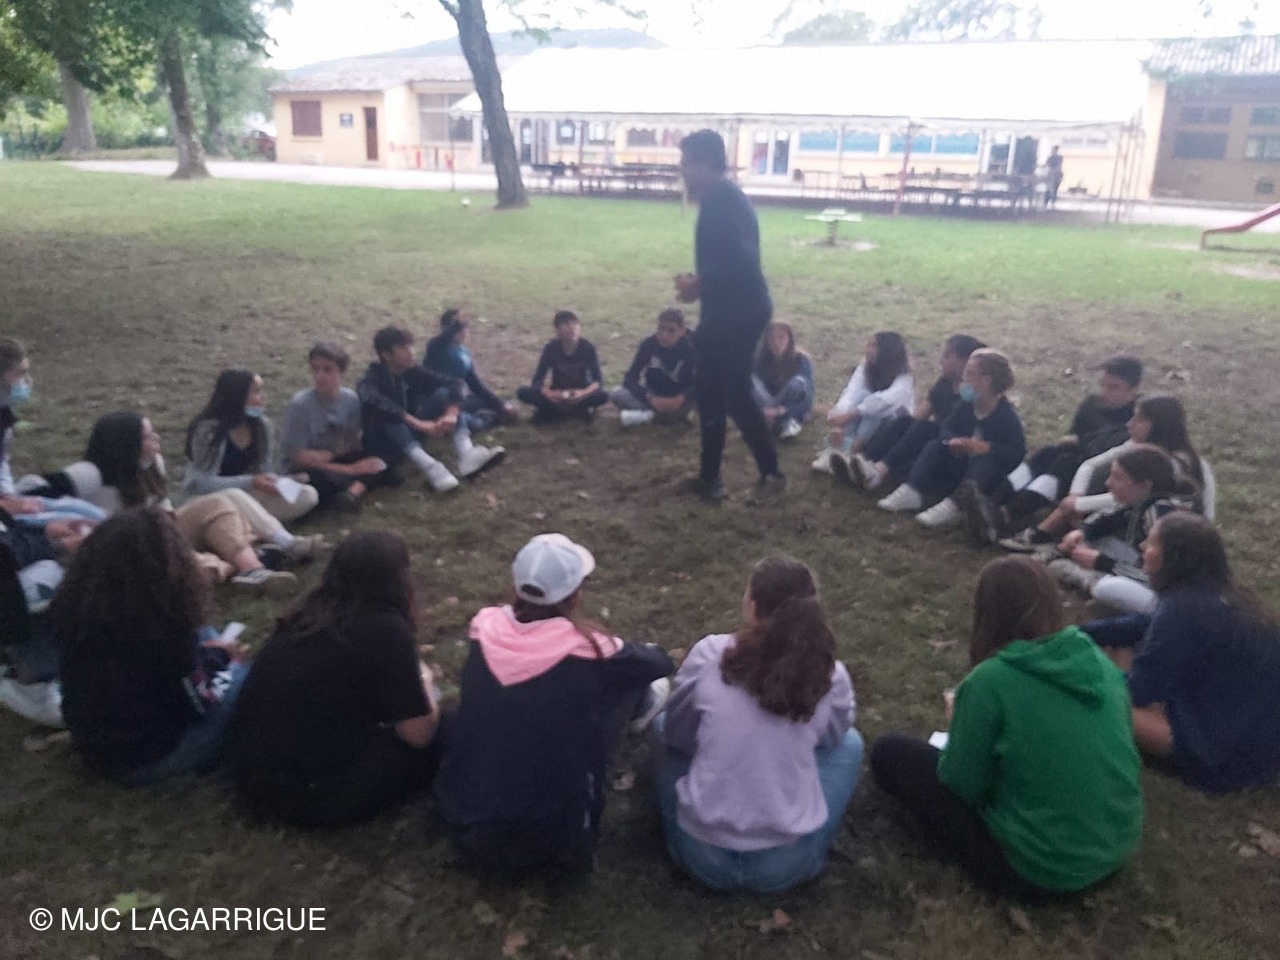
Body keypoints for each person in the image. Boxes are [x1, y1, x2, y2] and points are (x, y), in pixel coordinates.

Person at [870, 556, 1143, 902]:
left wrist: (961, 723)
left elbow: (962, 785)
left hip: (1039, 870)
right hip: (1115, 849)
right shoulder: (1096, 658)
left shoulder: (990, 681)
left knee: (890, 752)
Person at [434, 533, 673, 878]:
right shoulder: (590, 648)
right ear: (574, 595)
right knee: (632, 685)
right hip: (549, 841)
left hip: (464, 813)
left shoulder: (484, 626)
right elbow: (659, 663)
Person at [654, 556, 863, 893]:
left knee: (662, 724)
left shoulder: (711, 654)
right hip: (784, 865)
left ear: (752, 606)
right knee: (850, 745)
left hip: (701, 856)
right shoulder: (830, 674)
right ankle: (803, 833)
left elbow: (677, 734)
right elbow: (832, 738)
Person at [226, 531, 443, 826]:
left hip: (249, 776)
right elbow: (419, 735)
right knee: (445, 727)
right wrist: (424, 679)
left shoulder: (307, 614)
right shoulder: (387, 629)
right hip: (308, 795)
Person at [1082, 513, 1280, 793]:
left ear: (1174, 557)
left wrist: (1097, 669)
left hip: (1219, 755)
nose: (1142, 547)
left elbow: (1138, 691)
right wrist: (1078, 634)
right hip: (1254, 744)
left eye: (1151, 542)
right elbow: (1140, 625)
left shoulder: (1183, 609)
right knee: (1116, 645)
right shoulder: (1222, 596)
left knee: (1090, 698)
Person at [56, 507, 250, 786]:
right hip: (151, 757)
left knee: (204, 634)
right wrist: (220, 657)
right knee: (252, 680)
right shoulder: (162, 627)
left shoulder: (77, 608)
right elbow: (197, 705)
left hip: (97, 743)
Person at [36, 412, 306, 594]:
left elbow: (164, 509)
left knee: (218, 503)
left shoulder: (153, 463)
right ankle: (240, 561)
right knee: (187, 571)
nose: (157, 439)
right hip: (128, 554)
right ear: (126, 445)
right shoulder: (91, 477)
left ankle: (253, 568)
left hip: (162, 530)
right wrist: (41, 511)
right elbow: (32, 488)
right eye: (147, 437)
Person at [675, 129, 785, 506]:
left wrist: (699, 285)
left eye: (687, 162)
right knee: (709, 389)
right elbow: (726, 261)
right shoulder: (717, 199)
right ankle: (710, 478)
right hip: (724, 311)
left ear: (706, 163)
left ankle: (772, 474)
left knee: (734, 393)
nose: (682, 170)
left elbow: (742, 261)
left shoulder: (724, 201)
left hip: (741, 313)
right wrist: (702, 283)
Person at [958, 355, 1142, 544]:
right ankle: (992, 504)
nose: (1104, 392)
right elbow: (1074, 434)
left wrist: (1079, 442)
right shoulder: (1092, 404)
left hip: (1097, 474)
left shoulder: (1135, 418)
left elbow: (1105, 448)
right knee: (1045, 454)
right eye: (1103, 385)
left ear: (1133, 390)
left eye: (1114, 387)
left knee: (1063, 464)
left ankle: (1006, 514)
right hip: (1075, 454)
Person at [999, 395, 1214, 551]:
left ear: (1158, 426)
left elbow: (1132, 499)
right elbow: (1091, 465)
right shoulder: (1136, 445)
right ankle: (1023, 517)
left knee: (1098, 504)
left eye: (1138, 420)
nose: (1129, 424)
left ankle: (1042, 532)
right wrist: (1076, 496)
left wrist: (1078, 505)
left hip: (1163, 529)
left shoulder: (1175, 464)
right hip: (1134, 511)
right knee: (1067, 463)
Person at [877, 349, 1026, 528]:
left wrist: (987, 448)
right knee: (935, 445)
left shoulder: (1007, 416)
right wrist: (955, 441)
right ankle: (912, 490)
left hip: (982, 478)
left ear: (986, 380)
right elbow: (947, 428)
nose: (964, 378)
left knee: (987, 464)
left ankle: (954, 506)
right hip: (958, 461)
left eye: (969, 373)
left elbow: (1017, 452)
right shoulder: (965, 405)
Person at [357, 326, 505, 494]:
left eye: (410, 346)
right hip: (385, 444)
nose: (411, 352)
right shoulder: (372, 378)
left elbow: (455, 383)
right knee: (389, 414)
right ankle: (431, 467)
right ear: (386, 355)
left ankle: (466, 452)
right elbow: (371, 399)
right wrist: (416, 422)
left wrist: (451, 413)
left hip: (412, 432)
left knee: (443, 395)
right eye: (402, 348)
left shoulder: (411, 371)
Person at [1042, 444, 1180, 614]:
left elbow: (1162, 579)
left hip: (1169, 600)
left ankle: (1089, 581)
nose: (1108, 483)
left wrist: (1102, 563)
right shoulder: (1141, 501)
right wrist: (1081, 532)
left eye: (1118, 477)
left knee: (1106, 588)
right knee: (1098, 542)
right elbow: (1105, 519)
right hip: (1146, 571)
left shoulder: (1161, 518)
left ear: (1145, 486)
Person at [839, 334, 986, 492]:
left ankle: (878, 471)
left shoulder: (973, 395)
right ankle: (863, 461)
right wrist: (904, 430)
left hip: (948, 447)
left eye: (947, 355)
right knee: (904, 422)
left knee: (924, 428)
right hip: (930, 440)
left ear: (965, 361)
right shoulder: (945, 383)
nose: (941, 360)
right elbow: (921, 414)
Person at [184, 368, 321, 523]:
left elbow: (264, 471)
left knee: (307, 494)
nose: (263, 397)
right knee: (235, 497)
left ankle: (244, 521)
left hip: (249, 494)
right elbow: (200, 483)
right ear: (237, 396)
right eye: (256, 392)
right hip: (213, 497)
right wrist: (251, 481)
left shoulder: (262, 426)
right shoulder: (209, 430)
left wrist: (282, 481)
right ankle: (255, 523)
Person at [281, 341, 390, 514]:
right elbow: (298, 458)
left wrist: (344, 459)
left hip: (335, 458)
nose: (320, 376)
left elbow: (350, 443)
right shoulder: (300, 405)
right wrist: (350, 469)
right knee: (314, 480)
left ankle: (350, 494)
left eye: (327, 370)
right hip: (307, 469)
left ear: (341, 372)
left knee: (381, 462)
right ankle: (353, 488)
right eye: (315, 369)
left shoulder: (350, 399)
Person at [813, 331, 914, 475]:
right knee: (862, 395)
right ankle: (840, 448)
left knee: (873, 406)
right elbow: (851, 393)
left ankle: (850, 450)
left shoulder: (905, 377)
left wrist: (850, 415)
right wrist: (838, 419)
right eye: (868, 345)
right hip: (864, 423)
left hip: (891, 427)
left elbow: (886, 402)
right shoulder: (865, 368)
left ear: (888, 350)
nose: (868, 350)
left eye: (874, 346)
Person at [423, 308, 519, 432]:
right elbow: (444, 338)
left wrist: (501, 404)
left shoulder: (464, 353)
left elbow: (475, 384)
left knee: (501, 402)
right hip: (439, 400)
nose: (465, 333)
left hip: (460, 399)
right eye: (461, 330)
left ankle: (499, 413)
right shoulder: (436, 347)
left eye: (466, 329)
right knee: (469, 420)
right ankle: (488, 420)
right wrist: (455, 325)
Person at [516, 310, 608, 423]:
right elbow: (537, 380)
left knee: (603, 396)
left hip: (580, 392)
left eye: (575, 324)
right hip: (558, 393)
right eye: (566, 325)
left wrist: (583, 393)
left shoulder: (588, 348)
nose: (572, 328)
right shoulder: (550, 348)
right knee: (522, 392)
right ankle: (574, 412)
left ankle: (555, 412)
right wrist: (550, 394)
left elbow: (598, 381)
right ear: (557, 330)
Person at [612, 307, 697, 428]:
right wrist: (649, 397)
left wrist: (681, 398)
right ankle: (670, 417)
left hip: (681, 396)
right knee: (617, 393)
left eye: (671, 330)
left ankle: (649, 416)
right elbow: (630, 378)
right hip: (654, 394)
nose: (664, 335)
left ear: (682, 331)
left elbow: (703, 381)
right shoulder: (649, 344)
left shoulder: (693, 346)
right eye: (661, 329)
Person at [751, 321, 815, 440]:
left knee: (798, 383)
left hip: (786, 406)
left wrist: (781, 411)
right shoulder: (758, 360)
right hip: (765, 403)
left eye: (781, 338)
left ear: (789, 340)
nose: (776, 343)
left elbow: (807, 400)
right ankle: (768, 422)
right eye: (771, 338)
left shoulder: (801, 360)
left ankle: (784, 421)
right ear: (766, 341)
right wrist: (761, 410)